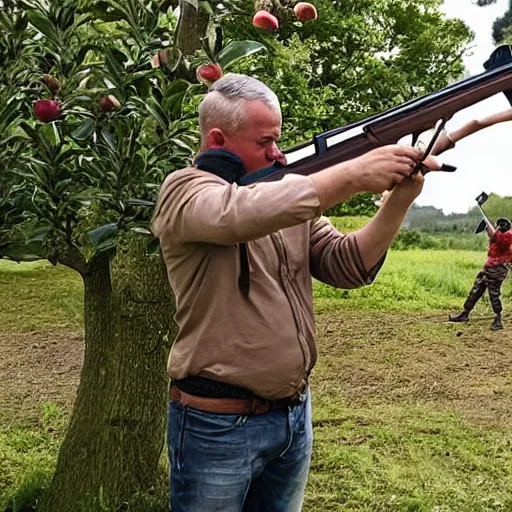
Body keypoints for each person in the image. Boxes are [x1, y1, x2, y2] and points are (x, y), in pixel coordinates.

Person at [151, 73, 439, 512]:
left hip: (292, 417)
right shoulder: (184, 192)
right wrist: (353, 174)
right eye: (265, 141)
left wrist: (398, 199)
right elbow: (235, 216)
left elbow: (347, 264)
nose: (278, 153)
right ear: (217, 138)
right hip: (217, 424)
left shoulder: (280, 196)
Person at [448, 216, 512, 330]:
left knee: (494, 294)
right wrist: (488, 226)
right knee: (476, 290)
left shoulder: (506, 237)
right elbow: (493, 237)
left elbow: (496, 238)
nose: (499, 227)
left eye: (502, 225)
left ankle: (498, 319)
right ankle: (465, 313)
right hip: (488, 267)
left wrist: (487, 226)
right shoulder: (500, 235)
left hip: (497, 269)